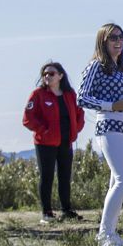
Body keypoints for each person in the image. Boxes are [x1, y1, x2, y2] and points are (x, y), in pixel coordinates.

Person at [78, 23, 123, 246]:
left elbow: (122, 100)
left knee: (115, 182)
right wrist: (111, 105)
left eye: (121, 37)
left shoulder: (122, 69)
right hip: (109, 124)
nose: (118, 41)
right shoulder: (95, 66)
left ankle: (111, 233)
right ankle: (104, 235)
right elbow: (82, 98)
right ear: (103, 41)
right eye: (113, 38)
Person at [22, 62, 85, 223]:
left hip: (65, 142)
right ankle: (47, 213)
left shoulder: (70, 94)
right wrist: (44, 130)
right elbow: (28, 118)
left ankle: (66, 210)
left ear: (60, 76)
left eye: (51, 73)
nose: (47, 76)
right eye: (45, 74)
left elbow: (79, 114)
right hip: (45, 143)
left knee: (65, 176)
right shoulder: (38, 94)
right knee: (47, 176)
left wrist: (75, 130)